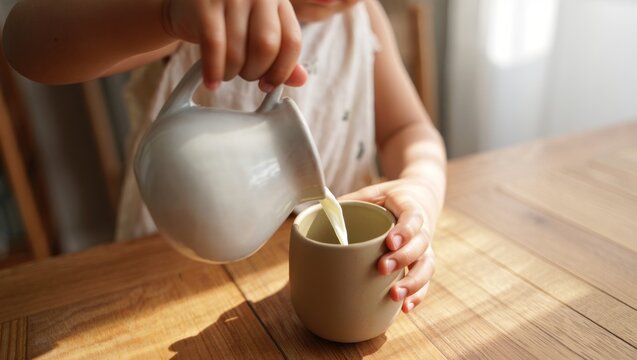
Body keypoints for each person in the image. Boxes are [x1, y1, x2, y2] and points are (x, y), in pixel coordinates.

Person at [3, 0, 446, 313]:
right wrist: (167, 13)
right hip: (163, 282)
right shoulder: (211, 16)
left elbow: (410, 131)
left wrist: (420, 190)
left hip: (311, 286)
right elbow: (27, 44)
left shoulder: (363, 19)